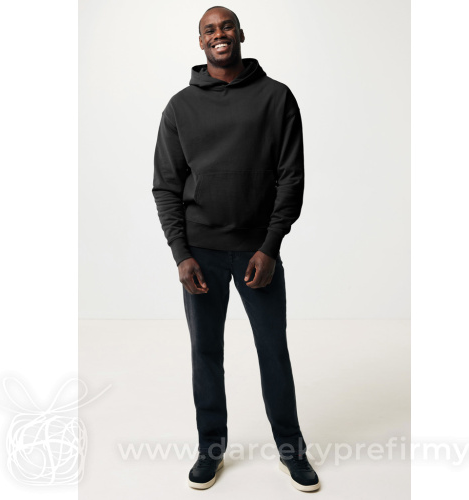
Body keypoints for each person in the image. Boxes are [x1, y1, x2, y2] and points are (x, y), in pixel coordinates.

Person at [152, 5, 320, 492]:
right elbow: (166, 186)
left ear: (240, 33)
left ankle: (291, 450)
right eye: (209, 30)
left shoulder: (276, 97)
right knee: (205, 352)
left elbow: (292, 177)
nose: (219, 34)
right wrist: (181, 254)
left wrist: (270, 245)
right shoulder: (180, 107)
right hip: (200, 253)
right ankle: (211, 448)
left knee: (273, 350)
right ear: (200, 41)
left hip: (257, 252)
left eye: (226, 26)